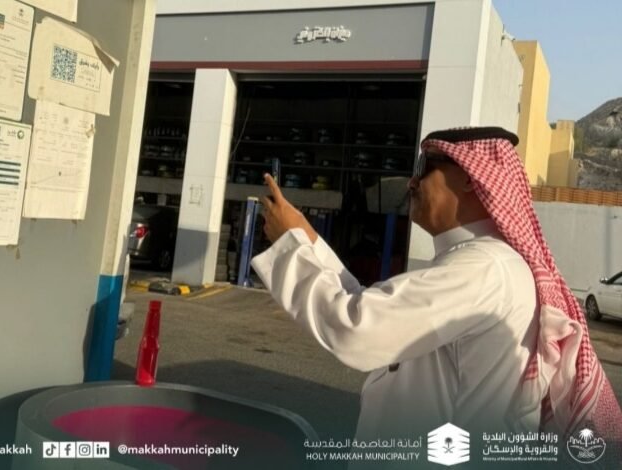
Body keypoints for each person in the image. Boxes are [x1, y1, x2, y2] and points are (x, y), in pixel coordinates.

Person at [251, 127, 621, 466]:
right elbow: (370, 306)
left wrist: (290, 245)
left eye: (424, 167)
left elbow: (356, 328)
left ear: (470, 178)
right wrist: (307, 240)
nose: (412, 181)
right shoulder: (479, 263)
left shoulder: (484, 268)